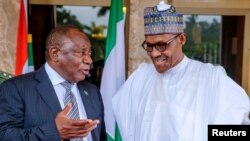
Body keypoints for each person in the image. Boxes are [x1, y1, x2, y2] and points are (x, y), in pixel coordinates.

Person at [112, 2, 250, 141]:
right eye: (149, 45)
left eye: (161, 45)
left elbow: (239, 130)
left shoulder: (210, 79)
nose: (154, 53)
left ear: (182, 39)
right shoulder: (141, 78)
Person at [0, 25, 107, 141]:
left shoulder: (92, 91)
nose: (89, 60)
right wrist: (55, 131)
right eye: (81, 52)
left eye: (89, 53)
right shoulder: (16, 88)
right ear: (55, 53)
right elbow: (5, 136)